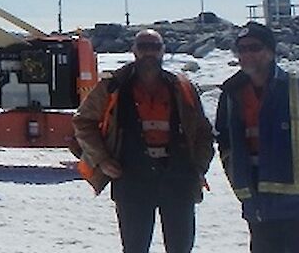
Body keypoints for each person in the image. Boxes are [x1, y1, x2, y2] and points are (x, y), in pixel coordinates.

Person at [73, 29, 215, 253]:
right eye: (144, 47)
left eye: (155, 47)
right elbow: (83, 121)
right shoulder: (114, 86)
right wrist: (102, 160)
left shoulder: (182, 87)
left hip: (178, 177)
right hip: (131, 176)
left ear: (163, 51)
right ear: (134, 51)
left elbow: (204, 132)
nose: (149, 52)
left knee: (181, 246)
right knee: (135, 247)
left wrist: (198, 167)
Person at [215, 23, 299, 253]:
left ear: (270, 51)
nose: (247, 54)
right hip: (257, 206)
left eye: (254, 48)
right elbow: (225, 141)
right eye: (242, 49)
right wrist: (235, 173)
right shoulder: (231, 93)